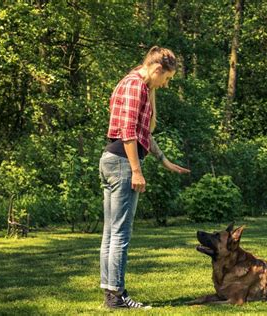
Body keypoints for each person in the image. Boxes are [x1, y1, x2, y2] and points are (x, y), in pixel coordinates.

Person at [99, 46, 190, 309]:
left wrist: (164, 161)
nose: (166, 84)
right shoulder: (134, 85)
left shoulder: (141, 86)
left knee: (111, 232)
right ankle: (116, 296)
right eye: (167, 78)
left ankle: (110, 292)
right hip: (122, 163)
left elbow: (147, 130)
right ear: (158, 68)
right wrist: (137, 170)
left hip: (116, 161)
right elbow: (128, 132)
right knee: (120, 233)